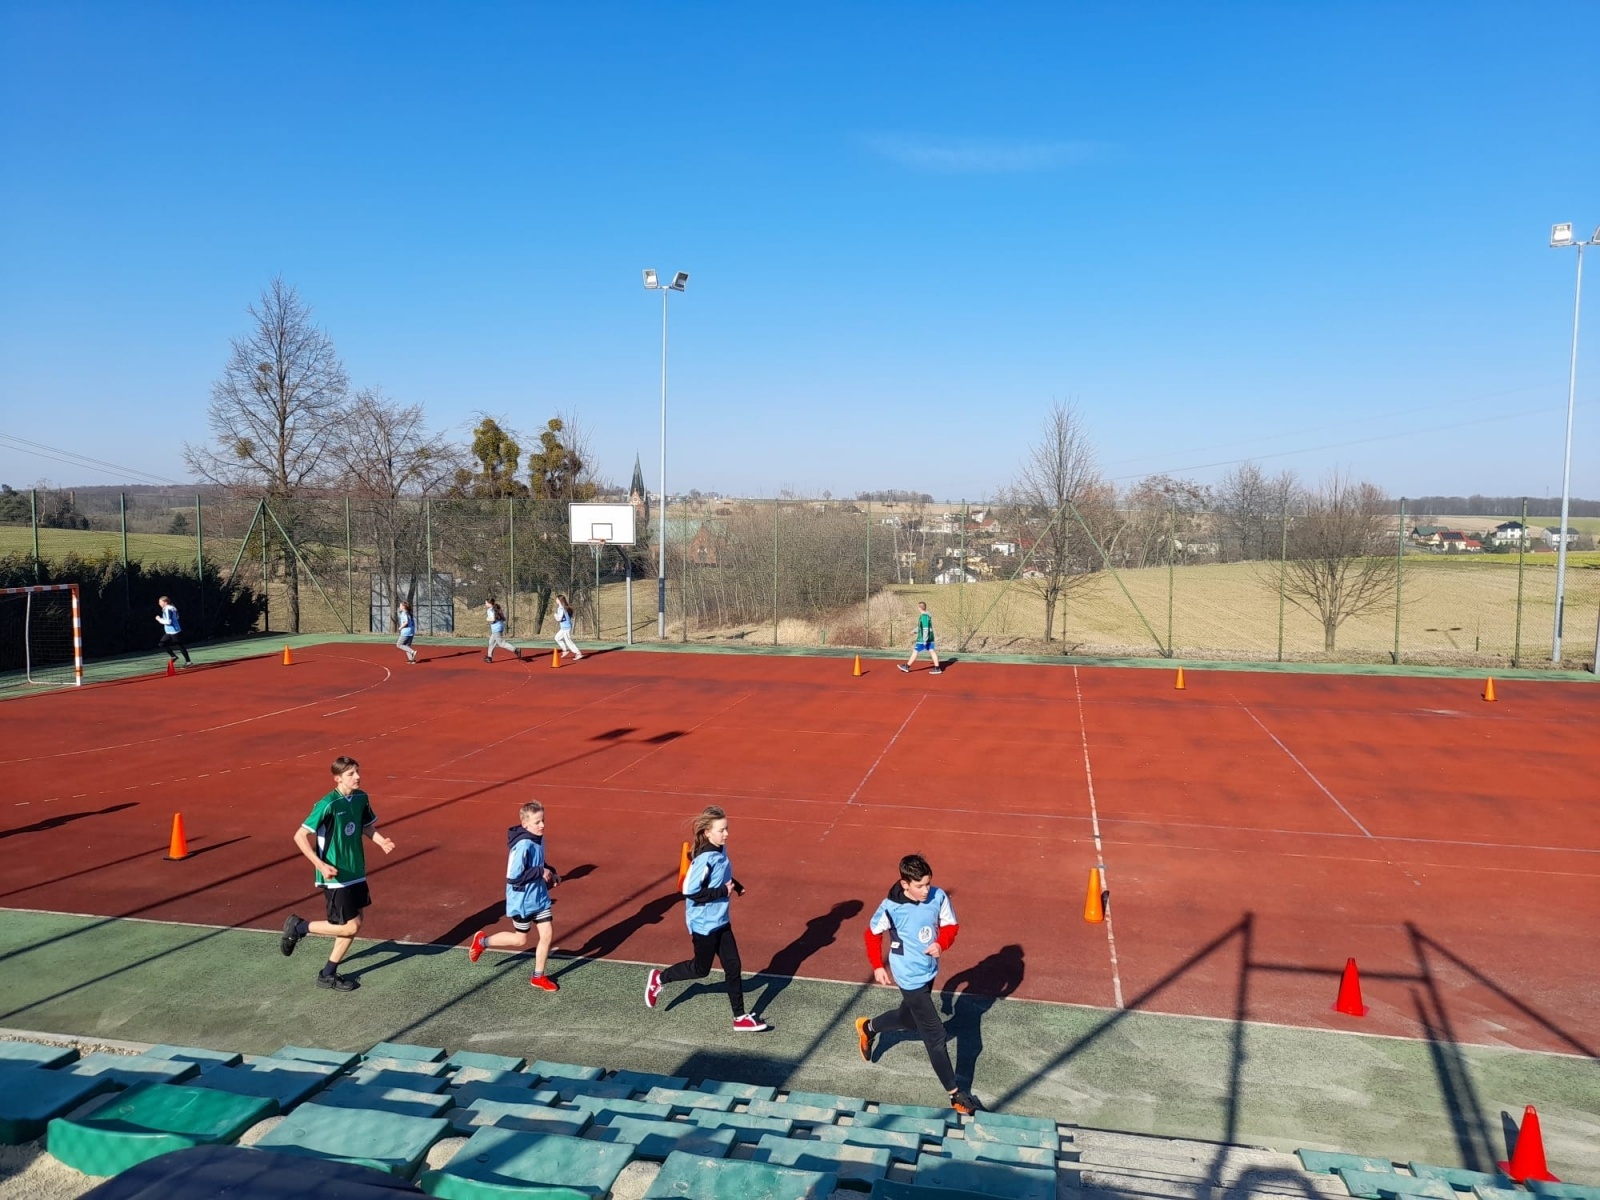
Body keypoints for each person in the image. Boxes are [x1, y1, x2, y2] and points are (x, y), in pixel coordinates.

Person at [853, 853, 977, 1114]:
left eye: (928, 883)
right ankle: (955, 1095)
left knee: (908, 1020)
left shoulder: (938, 896)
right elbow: (871, 934)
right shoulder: (891, 907)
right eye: (919, 885)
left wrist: (941, 943)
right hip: (907, 976)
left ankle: (869, 1027)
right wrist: (877, 965)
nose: (926, 890)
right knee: (936, 1035)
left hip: (929, 970)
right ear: (905, 883)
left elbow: (951, 926)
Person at [644, 806, 770, 1032]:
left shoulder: (720, 850)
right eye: (722, 830)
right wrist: (723, 892)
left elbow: (723, 874)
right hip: (704, 925)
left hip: (721, 920)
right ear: (707, 832)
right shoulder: (704, 860)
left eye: (727, 829)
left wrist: (736, 885)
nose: (727, 834)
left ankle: (740, 1017)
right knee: (701, 969)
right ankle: (659, 979)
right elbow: (689, 891)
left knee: (733, 966)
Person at [280, 756, 396, 992]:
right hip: (335, 876)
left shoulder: (361, 798)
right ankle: (299, 927)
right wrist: (320, 865)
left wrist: (381, 841)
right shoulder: (327, 804)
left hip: (356, 871)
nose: (357, 777)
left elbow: (365, 826)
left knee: (356, 923)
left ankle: (328, 974)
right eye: (351, 773)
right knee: (349, 927)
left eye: (358, 772)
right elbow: (299, 836)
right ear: (338, 778)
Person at [468, 800, 562, 992]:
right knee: (520, 940)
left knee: (547, 934)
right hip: (522, 900)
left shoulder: (539, 838)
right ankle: (482, 942)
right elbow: (513, 877)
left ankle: (538, 976)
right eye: (537, 822)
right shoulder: (522, 846)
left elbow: (540, 862)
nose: (542, 825)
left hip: (539, 898)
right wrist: (539, 872)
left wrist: (551, 871)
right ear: (525, 824)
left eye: (543, 820)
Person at [900, 602, 942, 674]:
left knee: (915, 651)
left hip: (923, 639)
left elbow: (925, 628)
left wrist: (925, 640)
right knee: (932, 651)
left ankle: (907, 666)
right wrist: (914, 631)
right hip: (929, 638)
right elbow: (921, 627)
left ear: (919, 608)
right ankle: (937, 668)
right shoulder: (926, 616)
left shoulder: (924, 617)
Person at [155, 596, 192, 666]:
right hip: (169, 631)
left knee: (180, 645)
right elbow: (177, 617)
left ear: (165, 602)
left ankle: (188, 661)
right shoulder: (169, 608)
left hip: (174, 631)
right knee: (162, 644)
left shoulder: (168, 609)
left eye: (160, 602)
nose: (159, 603)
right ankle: (173, 656)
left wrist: (159, 619)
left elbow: (169, 621)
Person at [484, 598, 521, 663]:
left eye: (486, 603)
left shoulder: (490, 610)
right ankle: (489, 657)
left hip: (496, 629)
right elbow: (503, 618)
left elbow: (492, 619)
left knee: (501, 643)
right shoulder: (497, 608)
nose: (485, 604)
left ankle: (516, 650)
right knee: (491, 642)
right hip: (500, 627)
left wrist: (488, 619)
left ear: (489, 603)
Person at [553, 593, 583, 660]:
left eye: (557, 599)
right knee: (557, 638)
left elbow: (559, 619)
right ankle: (565, 650)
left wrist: (555, 615)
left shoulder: (561, 608)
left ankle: (578, 653)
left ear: (559, 600)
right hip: (564, 628)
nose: (556, 600)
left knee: (568, 641)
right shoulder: (563, 607)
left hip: (566, 628)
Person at [395, 600, 418, 664]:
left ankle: (412, 652)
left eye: (400, 605)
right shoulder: (409, 613)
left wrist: (400, 628)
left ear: (403, 606)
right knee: (406, 646)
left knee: (399, 644)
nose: (399, 606)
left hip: (406, 632)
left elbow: (406, 622)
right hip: (411, 631)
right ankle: (411, 660)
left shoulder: (404, 613)